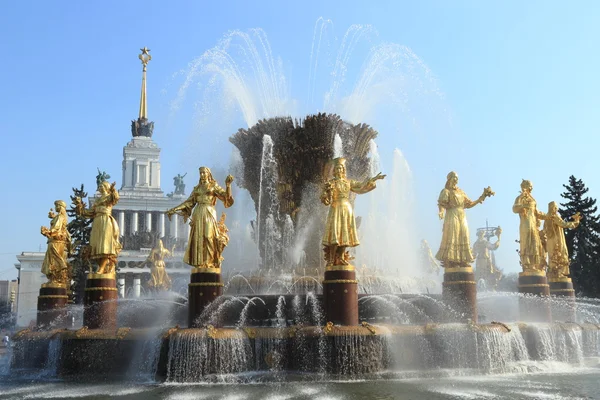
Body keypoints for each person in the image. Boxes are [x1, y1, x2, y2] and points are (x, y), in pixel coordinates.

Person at [321, 157, 385, 267]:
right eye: (337, 168)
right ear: (334, 171)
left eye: (341, 168)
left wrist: (374, 178)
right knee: (335, 234)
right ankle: (331, 259)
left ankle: (341, 257)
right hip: (335, 207)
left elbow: (361, 185)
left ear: (343, 170)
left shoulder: (348, 182)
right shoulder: (331, 183)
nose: (339, 170)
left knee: (344, 234)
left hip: (346, 208)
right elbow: (326, 200)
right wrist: (326, 194)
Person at [166, 167, 234, 269]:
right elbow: (189, 202)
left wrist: (228, 185)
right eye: (200, 173)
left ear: (208, 174)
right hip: (198, 213)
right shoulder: (197, 188)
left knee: (209, 236)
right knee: (199, 238)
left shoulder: (213, 186)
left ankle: (211, 262)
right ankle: (201, 263)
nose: (202, 175)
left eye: (204, 173)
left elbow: (226, 197)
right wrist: (174, 209)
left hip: (209, 211)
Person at [436, 171, 494, 268]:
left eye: (457, 178)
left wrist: (482, 197)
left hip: (462, 215)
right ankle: (451, 260)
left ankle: (463, 260)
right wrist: (441, 212)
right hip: (452, 214)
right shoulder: (446, 191)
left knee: (464, 235)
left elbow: (469, 204)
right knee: (452, 236)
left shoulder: (461, 192)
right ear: (449, 179)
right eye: (454, 177)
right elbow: (442, 204)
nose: (456, 179)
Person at [75, 181, 121, 274]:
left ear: (106, 187)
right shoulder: (97, 200)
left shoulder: (109, 197)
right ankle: (102, 267)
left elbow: (115, 198)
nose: (99, 187)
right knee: (96, 246)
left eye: (101, 186)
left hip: (105, 221)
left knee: (104, 245)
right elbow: (88, 213)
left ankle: (102, 268)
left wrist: (113, 190)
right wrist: (79, 206)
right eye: (99, 186)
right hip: (97, 222)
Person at [512, 180, 547, 272]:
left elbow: (537, 213)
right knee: (527, 243)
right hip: (525, 224)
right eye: (529, 186)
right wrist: (521, 204)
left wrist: (549, 216)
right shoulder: (520, 198)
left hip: (533, 225)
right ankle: (527, 265)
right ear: (524, 186)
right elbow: (514, 208)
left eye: (531, 186)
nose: (531, 188)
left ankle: (533, 265)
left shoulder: (532, 199)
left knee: (535, 243)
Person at [542, 201, 581, 279]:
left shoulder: (547, 218)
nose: (557, 209)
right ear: (552, 208)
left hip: (550, 241)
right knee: (561, 254)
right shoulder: (555, 217)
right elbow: (564, 224)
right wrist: (575, 222)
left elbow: (544, 230)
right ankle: (558, 274)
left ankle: (552, 274)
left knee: (552, 256)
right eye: (555, 207)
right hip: (557, 240)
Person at [40, 200, 71, 286]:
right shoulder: (61, 217)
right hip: (56, 241)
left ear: (61, 207)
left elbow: (56, 228)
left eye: (57, 206)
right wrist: (53, 217)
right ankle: (54, 279)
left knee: (53, 260)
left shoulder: (60, 217)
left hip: (55, 241)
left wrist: (48, 232)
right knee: (52, 260)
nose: (55, 207)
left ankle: (55, 279)